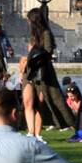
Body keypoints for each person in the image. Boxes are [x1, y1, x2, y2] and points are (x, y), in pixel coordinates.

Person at [18, 8, 75, 136]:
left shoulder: (45, 33)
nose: (27, 22)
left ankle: (37, 134)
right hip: (29, 71)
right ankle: (30, 131)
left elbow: (48, 52)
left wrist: (33, 58)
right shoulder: (33, 36)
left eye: (29, 19)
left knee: (40, 104)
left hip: (41, 72)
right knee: (27, 101)